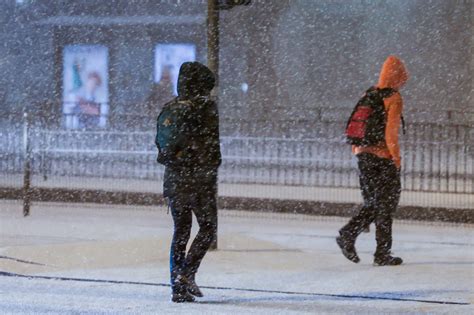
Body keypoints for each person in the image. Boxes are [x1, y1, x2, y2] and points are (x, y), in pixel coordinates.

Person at [155, 62, 221, 303]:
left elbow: (161, 145)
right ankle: (186, 274)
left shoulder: (170, 106)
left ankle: (177, 287)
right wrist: (210, 167)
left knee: (180, 231)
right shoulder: (206, 108)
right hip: (198, 179)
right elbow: (211, 145)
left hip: (173, 179)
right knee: (208, 228)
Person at [337, 55, 409, 266]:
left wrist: (359, 151)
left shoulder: (369, 94)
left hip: (362, 154)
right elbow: (391, 133)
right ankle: (375, 249)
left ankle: (353, 236)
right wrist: (396, 158)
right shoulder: (393, 98)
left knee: (374, 203)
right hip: (382, 157)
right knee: (386, 204)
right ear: (399, 76)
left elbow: (357, 125)